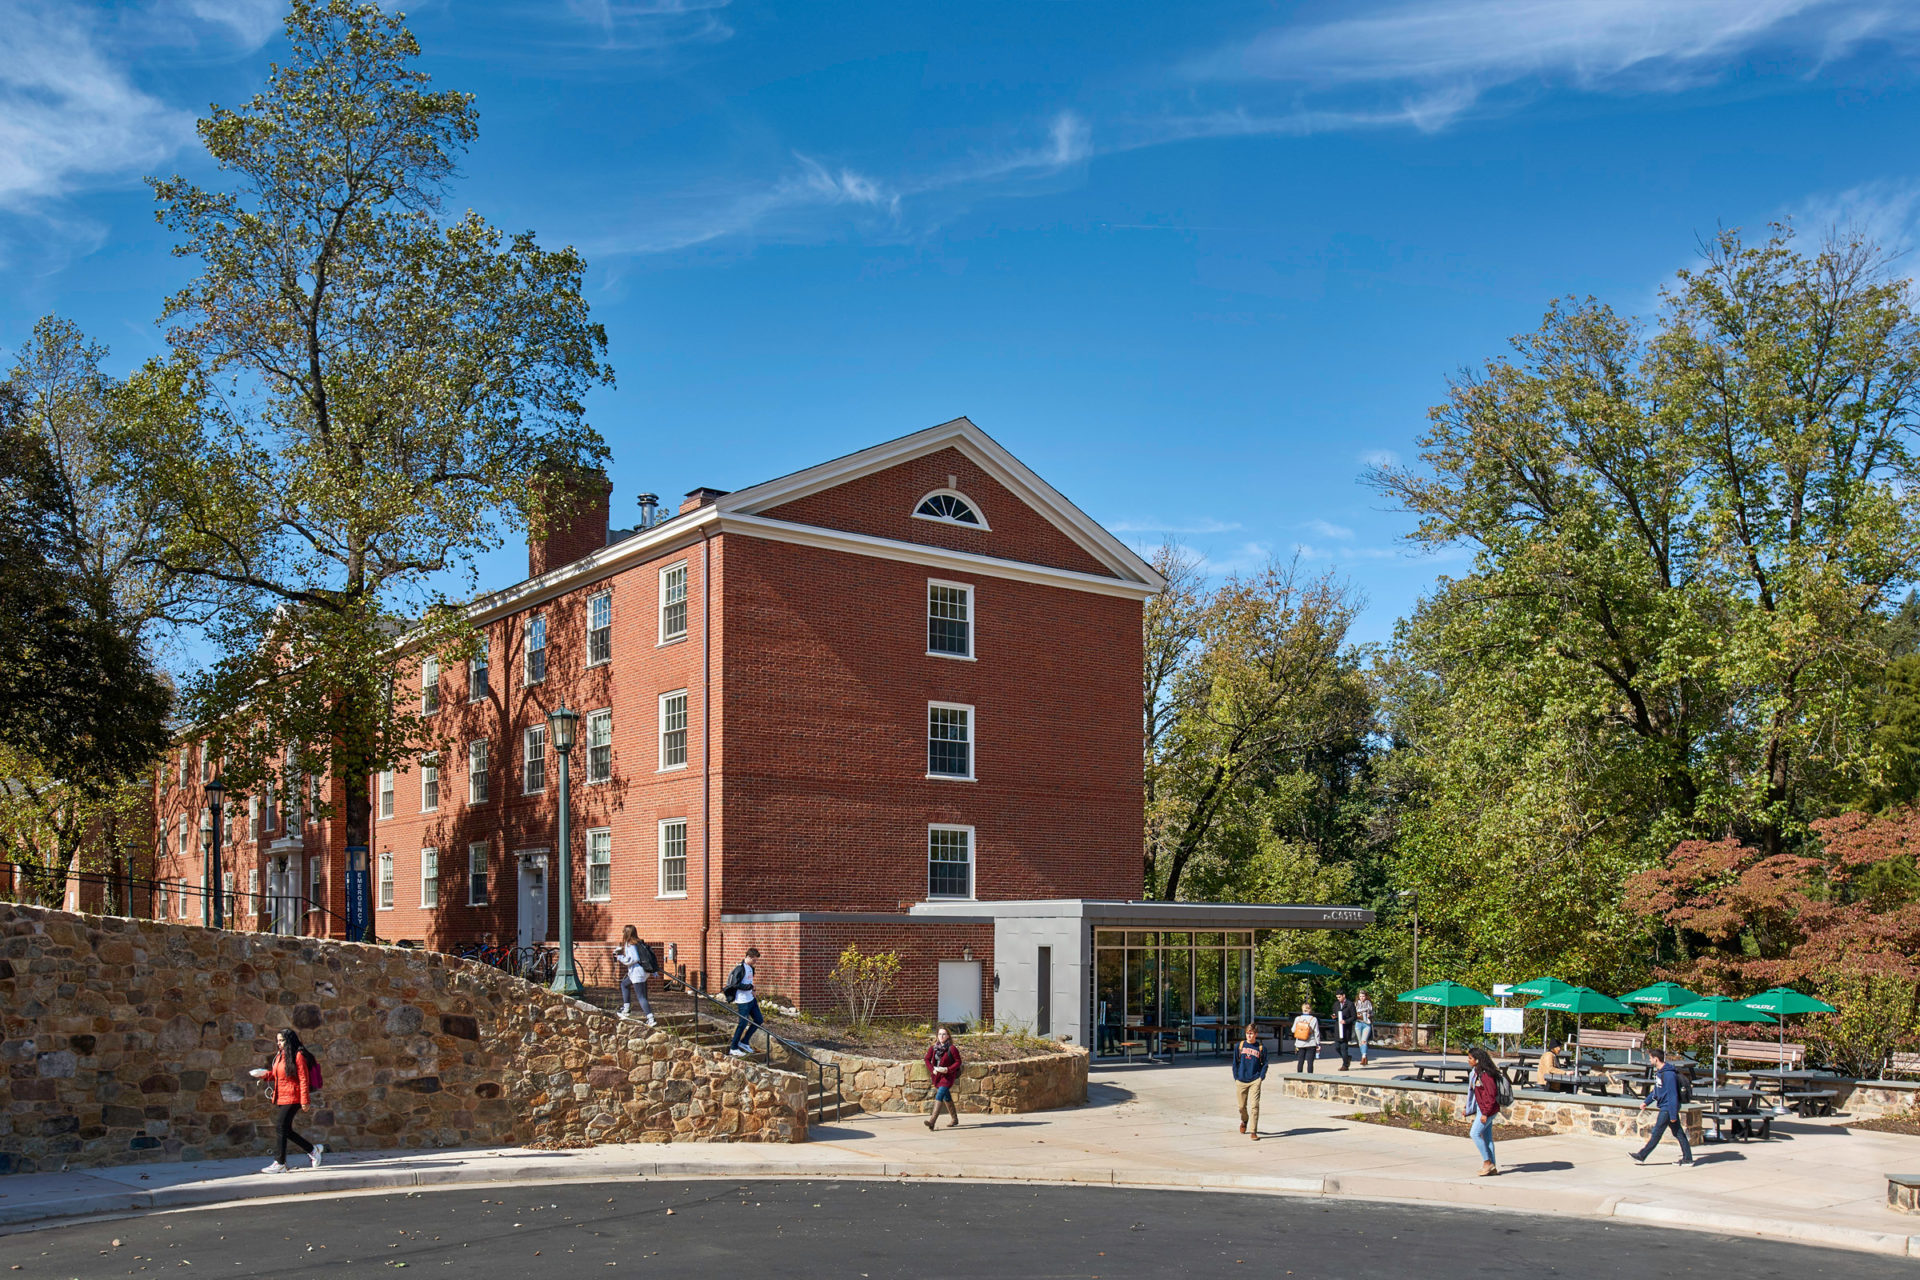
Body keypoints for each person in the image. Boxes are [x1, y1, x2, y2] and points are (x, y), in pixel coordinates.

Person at [248, 1028, 324, 1174]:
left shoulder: (298, 1055)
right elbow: (279, 1075)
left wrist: (305, 1100)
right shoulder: (281, 1056)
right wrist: (264, 1075)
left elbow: (303, 1078)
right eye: (278, 1040)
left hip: (293, 1096)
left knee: (280, 1127)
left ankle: (280, 1163)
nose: (279, 1043)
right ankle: (313, 1150)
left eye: (282, 1040)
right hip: (282, 1095)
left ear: (289, 1040)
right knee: (285, 1130)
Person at [1630, 1047, 1694, 1167]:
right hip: (1666, 1107)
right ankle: (1688, 1158)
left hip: (1668, 1108)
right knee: (1679, 1133)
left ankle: (1641, 1156)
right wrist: (1646, 1102)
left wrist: (1673, 1114)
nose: (1649, 1060)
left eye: (1650, 1058)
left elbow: (1672, 1095)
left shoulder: (1669, 1075)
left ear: (1656, 1059)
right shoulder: (1660, 1073)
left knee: (1657, 1132)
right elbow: (1656, 1091)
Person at [1464, 1045, 1507, 1177]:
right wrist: (1468, 1108)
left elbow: (1491, 1095)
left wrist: (1485, 1113)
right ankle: (1492, 1168)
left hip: (1487, 1110)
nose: (1468, 1060)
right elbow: (1476, 1094)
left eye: (1470, 1058)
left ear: (1477, 1060)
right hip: (1483, 1109)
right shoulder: (1477, 1073)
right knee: (1487, 1138)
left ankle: (1487, 1162)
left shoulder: (1485, 1075)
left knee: (1475, 1133)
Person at [1231, 1022, 1269, 1139]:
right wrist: (1236, 1077)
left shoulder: (1261, 1048)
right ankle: (1244, 1120)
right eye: (1247, 1033)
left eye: (1251, 1033)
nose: (1249, 1036)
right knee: (1241, 1106)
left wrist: (1260, 1077)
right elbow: (1235, 1063)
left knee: (1254, 1106)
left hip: (1254, 1080)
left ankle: (1253, 1131)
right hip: (1241, 1080)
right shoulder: (1239, 1046)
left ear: (1256, 1034)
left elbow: (1265, 1064)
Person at [724, 947, 762, 1057]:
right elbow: (735, 984)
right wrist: (749, 987)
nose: (755, 962)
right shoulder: (740, 969)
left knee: (759, 1019)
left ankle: (744, 1042)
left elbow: (750, 981)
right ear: (748, 957)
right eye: (754, 960)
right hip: (742, 1001)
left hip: (751, 998)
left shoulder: (751, 968)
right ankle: (733, 1047)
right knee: (743, 1023)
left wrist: (753, 989)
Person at [616, 925, 658, 1026]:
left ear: (626, 933)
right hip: (643, 971)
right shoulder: (639, 942)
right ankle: (626, 1009)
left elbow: (633, 959)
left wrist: (620, 957)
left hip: (637, 972)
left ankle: (651, 1019)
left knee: (641, 997)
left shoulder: (629, 944)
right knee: (624, 984)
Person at [924, 1026, 964, 1129]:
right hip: (937, 1075)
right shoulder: (933, 1048)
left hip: (948, 1076)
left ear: (948, 1036)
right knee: (946, 1096)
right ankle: (954, 1119)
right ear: (937, 1036)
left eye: (944, 1034)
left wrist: (948, 1069)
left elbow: (958, 1062)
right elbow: (927, 1059)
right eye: (940, 1034)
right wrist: (932, 1069)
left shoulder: (952, 1048)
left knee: (940, 1094)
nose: (941, 1036)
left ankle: (932, 1121)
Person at [1291, 1001, 1321, 1072]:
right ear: (1310, 1009)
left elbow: (1293, 1030)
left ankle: (1299, 1077)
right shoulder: (1314, 1019)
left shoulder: (1298, 1018)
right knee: (1310, 1062)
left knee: (1300, 1061)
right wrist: (1318, 1043)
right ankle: (1309, 1078)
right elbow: (1317, 1032)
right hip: (1311, 1042)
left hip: (1300, 1043)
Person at [1332, 992, 1356, 1071]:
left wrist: (1346, 1021)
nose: (1338, 999)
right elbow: (1335, 1013)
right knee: (1337, 1047)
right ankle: (1347, 1058)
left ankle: (1345, 1065)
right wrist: (1334, 1016)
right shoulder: (1336, 1004)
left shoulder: (1350, 1004)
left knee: (1343, 1048)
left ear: (1343, 996)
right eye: (1337, 997)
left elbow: (1354, 1016)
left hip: (1346, 1029)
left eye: (1339, 997)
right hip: (1338, 1028)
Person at [1355, 990, 1374, 1067]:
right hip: (1358, 1023)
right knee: (1360, 1042)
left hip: (1366, 1023)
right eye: (1360, 996)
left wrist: (1370, 1015)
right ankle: (1364, 1055)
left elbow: (1373, 1013)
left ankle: (1363, 1057)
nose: (1362, 998)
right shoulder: (1356, 1004)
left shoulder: (1369, 1004)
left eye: (1363, 996)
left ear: (1366, 996)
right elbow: (1353, 1013)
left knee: (1364, 1041)